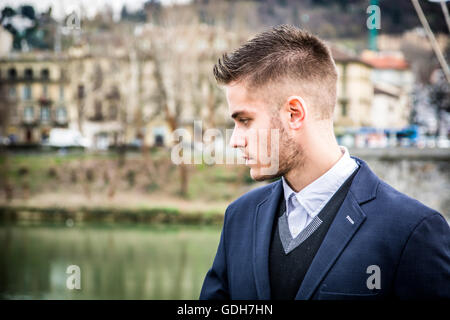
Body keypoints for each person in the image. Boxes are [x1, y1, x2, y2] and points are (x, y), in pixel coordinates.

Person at [199, 25, 450, 300]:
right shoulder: (240, 216)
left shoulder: (414, 231)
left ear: (294, 114)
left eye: (245, 120)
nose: (235, 140)